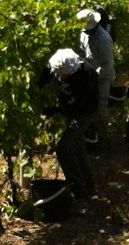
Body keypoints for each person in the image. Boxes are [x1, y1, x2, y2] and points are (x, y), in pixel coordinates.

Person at [39, 49, 99, 199]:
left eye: (63, 75)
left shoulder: (87, 76)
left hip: (83, 115)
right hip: (71, 110)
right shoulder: (59, 63)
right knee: (77, 148)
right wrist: (37, 85)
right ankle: (89, 189)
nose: (59, 77)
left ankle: (78, 191)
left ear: (72, 71)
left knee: (64, 149)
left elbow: (75, 107)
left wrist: (52, 110)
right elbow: (46, 75)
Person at [78, 8, 115, 149]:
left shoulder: (104, 40)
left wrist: (94, 76)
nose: (85, 31)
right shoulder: (84, 34)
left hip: (103, 77)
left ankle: (103, 139)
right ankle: (90, 136)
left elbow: (108, 65)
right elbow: (82, 53)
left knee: (100, 107)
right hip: (89, 75)